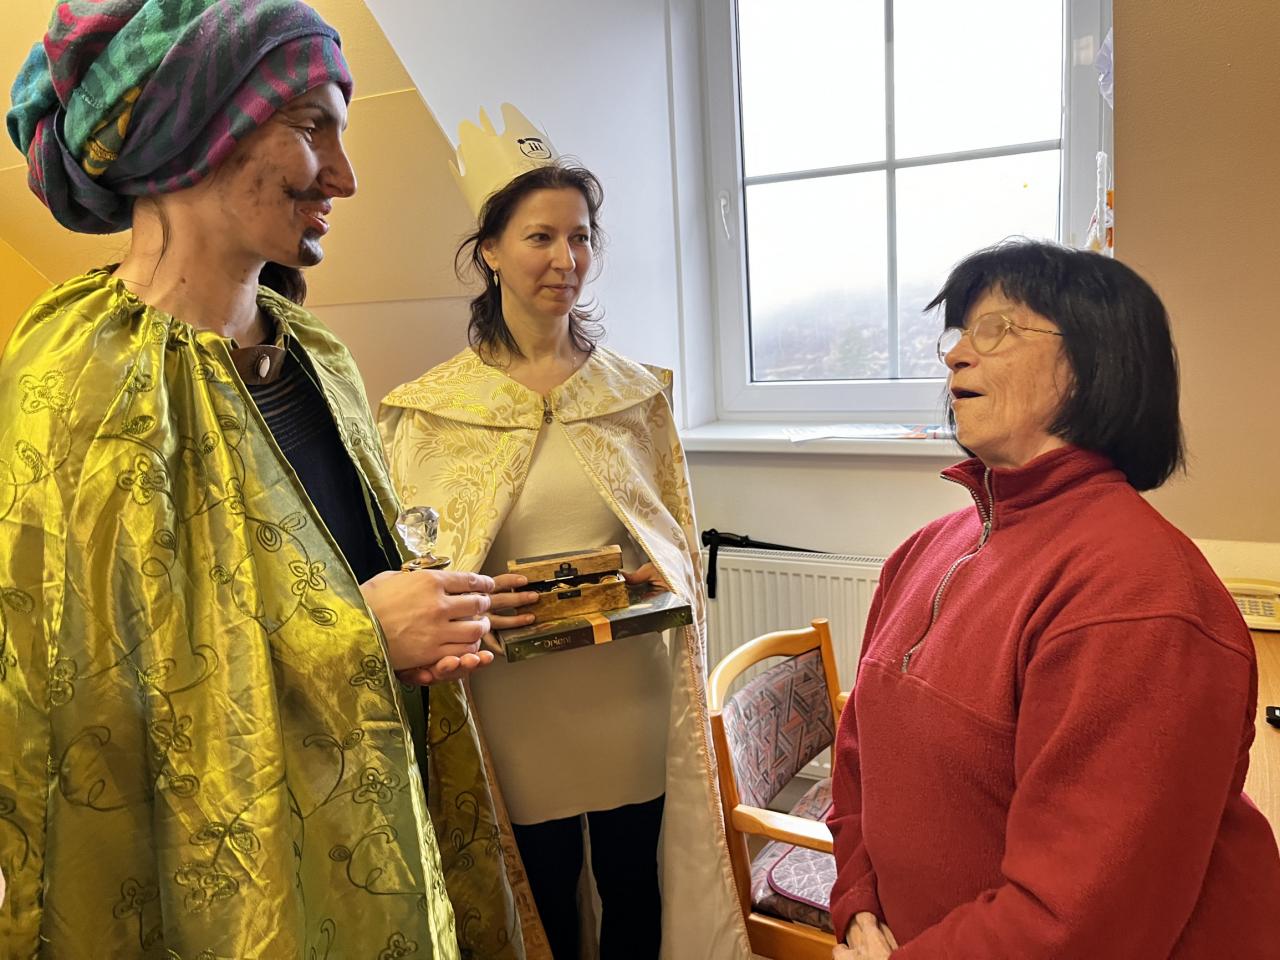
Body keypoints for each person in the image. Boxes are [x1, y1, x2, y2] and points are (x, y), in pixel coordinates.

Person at [0, 2, 526, 956]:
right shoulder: (78, 386)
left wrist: (418, 624)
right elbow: (82, 712)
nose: (345, 175)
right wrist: (362, 634)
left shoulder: (317, 352)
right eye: (311, 125)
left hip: (365, 834)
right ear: (196, 133)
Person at [827, 239, 1280, 958]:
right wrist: (856, 906)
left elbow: (1083, 921)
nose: (956, 356)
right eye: (959, 333)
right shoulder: (919, 554)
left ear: (1094, 362)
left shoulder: (1137, 595)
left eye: (996, 329)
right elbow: (857, 757)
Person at [378, 106, 751, 960]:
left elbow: (673, 541)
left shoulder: (635, 396)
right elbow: (419, 566)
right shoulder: (430, 411)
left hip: (628, 689)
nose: (565, 259)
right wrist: (474, 598)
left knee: (633, 883)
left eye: (580, 237)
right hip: (516, 698)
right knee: (539, 888)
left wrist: (653, 575)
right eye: (540, 237)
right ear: (491, 251)